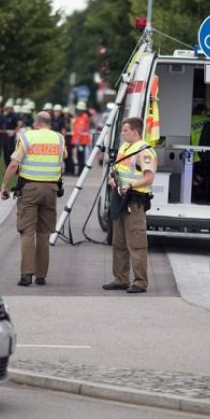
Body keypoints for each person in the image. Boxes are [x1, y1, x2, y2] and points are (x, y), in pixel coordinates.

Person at [0, 111, 67, 287]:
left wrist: (4, 186)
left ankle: (26, 275)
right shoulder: (59, 138)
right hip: (51, 190)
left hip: (29, 189)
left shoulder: (27, 137)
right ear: (49, 123)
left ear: (36, 123)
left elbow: (14, 164)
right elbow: (63, 157)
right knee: (43, 234)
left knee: (27, 231)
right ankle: (41, 276)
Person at [102, 117, 157, 294]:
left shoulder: (145, 151)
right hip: (120, 199)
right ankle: (120, 279)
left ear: (135, 131)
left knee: (137, 243)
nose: (122, 133)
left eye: (125, 130)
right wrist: (112, 179)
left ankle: (140, 282)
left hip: (135, 200)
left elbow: (149, 177)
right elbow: (118, 170)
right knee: (119, 242)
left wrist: (130, 186)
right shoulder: (124, 148)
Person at [190, 103, 210, 186]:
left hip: (193, 154)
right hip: (207, 154)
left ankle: (195, 184)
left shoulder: (190, 119)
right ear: (204, 112)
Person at [71, 101, 91, 175]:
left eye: (80, 110)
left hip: (82, 141)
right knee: (79, 157)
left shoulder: (84, 117)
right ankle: (79, 171)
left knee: (81, 157)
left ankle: (80, 172)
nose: (78, 111)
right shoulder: (78, 117)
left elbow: (81, 129)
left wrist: (78, 140)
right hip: (79, 141)